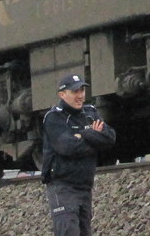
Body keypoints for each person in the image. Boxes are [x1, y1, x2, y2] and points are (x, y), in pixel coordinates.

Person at [42, 74, 116, 236]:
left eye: (82, 90)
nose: (81, 95)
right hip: (63, 186)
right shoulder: (54, 117)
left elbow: (110, 138)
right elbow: (67, 147)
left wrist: (82, 135)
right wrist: (92, 134)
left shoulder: (90, 113)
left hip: (85, 186)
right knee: (69, 231)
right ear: (62, 94)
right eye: (75, 91)